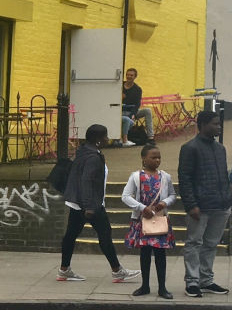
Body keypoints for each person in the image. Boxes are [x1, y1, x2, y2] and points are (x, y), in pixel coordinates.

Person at [58, 124, 141, 282]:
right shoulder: (93, 158)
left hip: (78, 202)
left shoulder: (84, 151)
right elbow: (87, 181)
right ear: (97, 139)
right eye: (105, 136)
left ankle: (64, 270)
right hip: (91, 204)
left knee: (71, 235)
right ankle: (117, 271)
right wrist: (90, 206)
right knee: (105, 235)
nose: (107, 139)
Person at [178, 110, 231, 297]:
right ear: (202, 125)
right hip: (200, 206)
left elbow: (223, 176)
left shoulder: (220, 149)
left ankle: (206, 280)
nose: (219, 127)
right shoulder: (190, 148)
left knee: (211, 244)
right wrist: (191, 204)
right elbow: (184, 179)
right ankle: (192, 282)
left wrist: (227, 200)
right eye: (215, 124)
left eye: (219, 123)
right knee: (194, 243)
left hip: (221, 205)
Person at [121, 144, 176, 299]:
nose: (157, 160)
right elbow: (125, 196)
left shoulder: (165, 177)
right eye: (153, 157)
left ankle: (162, 288)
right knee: (144, 253)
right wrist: (141, 207)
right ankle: (145, 285)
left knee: (160, 254)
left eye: (159, 157)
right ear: (144, 158)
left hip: (160, 219)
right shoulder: (136, 177)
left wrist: (164, 203)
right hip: (142, 220)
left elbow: (172, 195)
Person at [120, 68, 155, 147]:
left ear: (135, 77)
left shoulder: (137, 89)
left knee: (147, 111)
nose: (129, 76)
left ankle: (150, 138)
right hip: (120, 111)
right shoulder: (120, 85)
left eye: (131, 75)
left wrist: (133, 114)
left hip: (131, 111)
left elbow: (137, 104)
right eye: (127, 75)